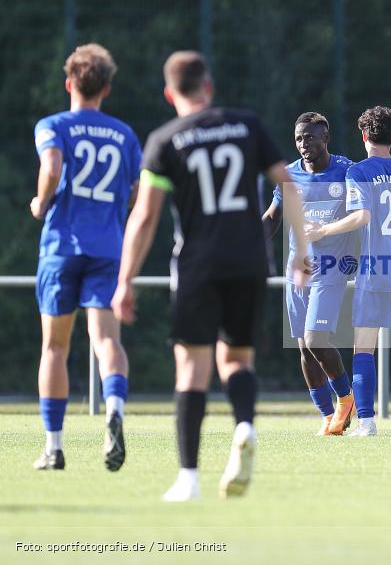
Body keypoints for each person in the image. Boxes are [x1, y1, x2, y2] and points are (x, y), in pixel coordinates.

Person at [112, 51, 308, 500]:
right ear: (209, 87)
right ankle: (244, 425)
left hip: (198, 264)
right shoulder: (247, 126)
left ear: (169, 93)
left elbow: (144, 217)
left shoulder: (165, 140)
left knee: (191, 367)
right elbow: (288, 185)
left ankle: (189, 478)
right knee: (237, 359)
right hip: (250, 260)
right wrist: (302, 252)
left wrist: (125, 279)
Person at [30, 43, 141, 472]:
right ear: (106, 88)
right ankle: (114, 407)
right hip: (108, 248)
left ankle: (54, 448)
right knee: (107, 341)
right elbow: (134, 192)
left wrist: (42, 202)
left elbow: (53, 166)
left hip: (62, 247)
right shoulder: (124, 134)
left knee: (55, 347)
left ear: (69, 83)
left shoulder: (53, 124)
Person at [306, 106, 391, 437]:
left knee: (364, 349)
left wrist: (323, 231)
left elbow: (362, 217)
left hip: (375, 270)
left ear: (364, 135)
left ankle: (366, 422)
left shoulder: (359, 171)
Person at [262, 112, 356, 436]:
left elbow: (368, 213)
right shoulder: (288, 176)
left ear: (325, 138)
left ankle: (346, 400)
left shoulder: (346, 171)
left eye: (311, 137)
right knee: (304, 348)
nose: (304, 144)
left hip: (330, 269)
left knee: (317, 340)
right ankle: (328, 416)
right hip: (297, 270)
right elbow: (273, 218)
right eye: (300, 138)